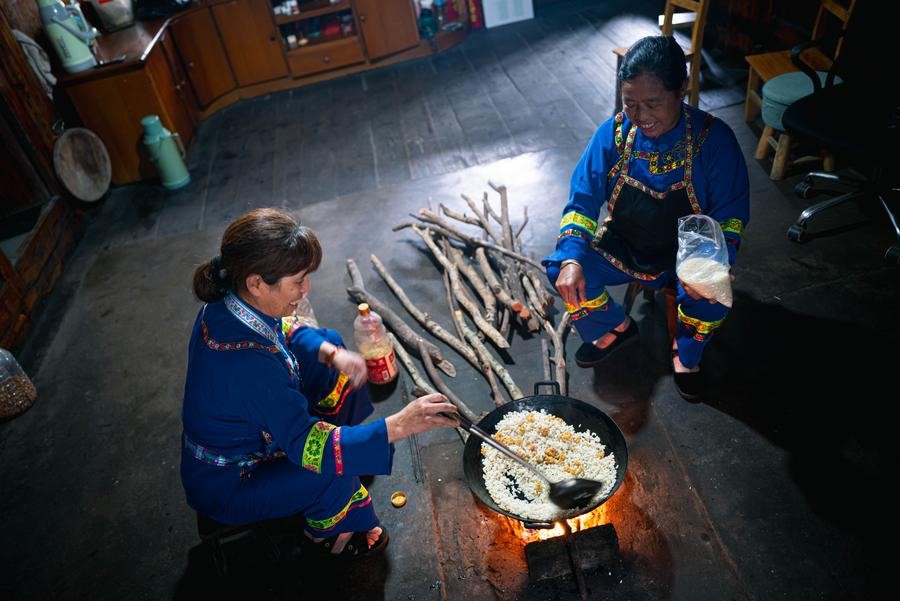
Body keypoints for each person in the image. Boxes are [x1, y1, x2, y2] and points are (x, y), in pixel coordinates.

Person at [180, 207, 459, 559]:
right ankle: (326, 533)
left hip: (259, 419)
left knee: (327, 346)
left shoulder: (231, 300)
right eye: (297, 281)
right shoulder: (247, 367)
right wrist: (399, 424)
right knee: (329, 469)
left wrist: (331, 352)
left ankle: (350, 443)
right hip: (232, 483)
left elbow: (285, 329)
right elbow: (309, 445)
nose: (305, 289)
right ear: (257, 283)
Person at [542, 36, 750, 401]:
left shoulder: (712, 140)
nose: (640, 116)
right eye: (630, 103)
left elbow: (729, 216)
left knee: (712, 295)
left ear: (681, 90)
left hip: (688, 256)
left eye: (653, 103)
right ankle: (616, 328)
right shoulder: (614, 133)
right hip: (624, 243)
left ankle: (686, 355)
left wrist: (717, 263)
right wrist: (573, 256)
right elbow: (582, 200)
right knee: (564, 269)